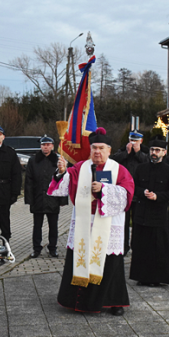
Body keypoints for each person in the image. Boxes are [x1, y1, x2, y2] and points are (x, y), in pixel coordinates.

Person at [49, 127, 135, 315]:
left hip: (108, 224)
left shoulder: (119, 170)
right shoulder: (81, 167)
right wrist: (62, 172)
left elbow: (127, 194)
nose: (97, 151)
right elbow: (64, 187)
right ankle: (80, 302)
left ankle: (114, 302)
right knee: (81, 257)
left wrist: (104, 189)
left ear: (109, 150)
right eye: (94, 147)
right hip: (84, 223)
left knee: (110, 263)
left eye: (102, 148)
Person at [130, 137, 169, 285]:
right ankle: (141, 277)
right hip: (141, 214)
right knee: (140, 247)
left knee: (158, 248)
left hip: (158, 215)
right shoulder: (141, 168)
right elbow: (133, 187)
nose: (154, 153)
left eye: (157, 150)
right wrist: (143, 192)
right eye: (152, 150)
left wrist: (158, 196)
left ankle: (157, 279)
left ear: (164, 153)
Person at [25, 135, 68, 258]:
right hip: (38, 198)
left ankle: (52, 248)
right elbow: (29, 180)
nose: (46, 147)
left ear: (52, 146)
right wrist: (29, 199)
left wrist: (62, 199)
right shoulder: (33, 160)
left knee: (53, 226)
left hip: (53, 198)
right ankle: (36, 248)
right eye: (44, 145)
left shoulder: (59, 160)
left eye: (48, 145)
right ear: (40, 146)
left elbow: (63, 180)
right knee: (37, 226)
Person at [112, 131, 147, 255]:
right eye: (132, 140)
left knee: (137, 222)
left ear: (141, 142)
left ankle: (136, 246)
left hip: (138, 193)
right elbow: (114, 161)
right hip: (124, 193)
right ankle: (124, 246)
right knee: (123, 222)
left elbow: (147, 163)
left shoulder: (145, 153)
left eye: (136, 141)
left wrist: (138, 152)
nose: (133, 143)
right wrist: (126, 153)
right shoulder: (122, 151)